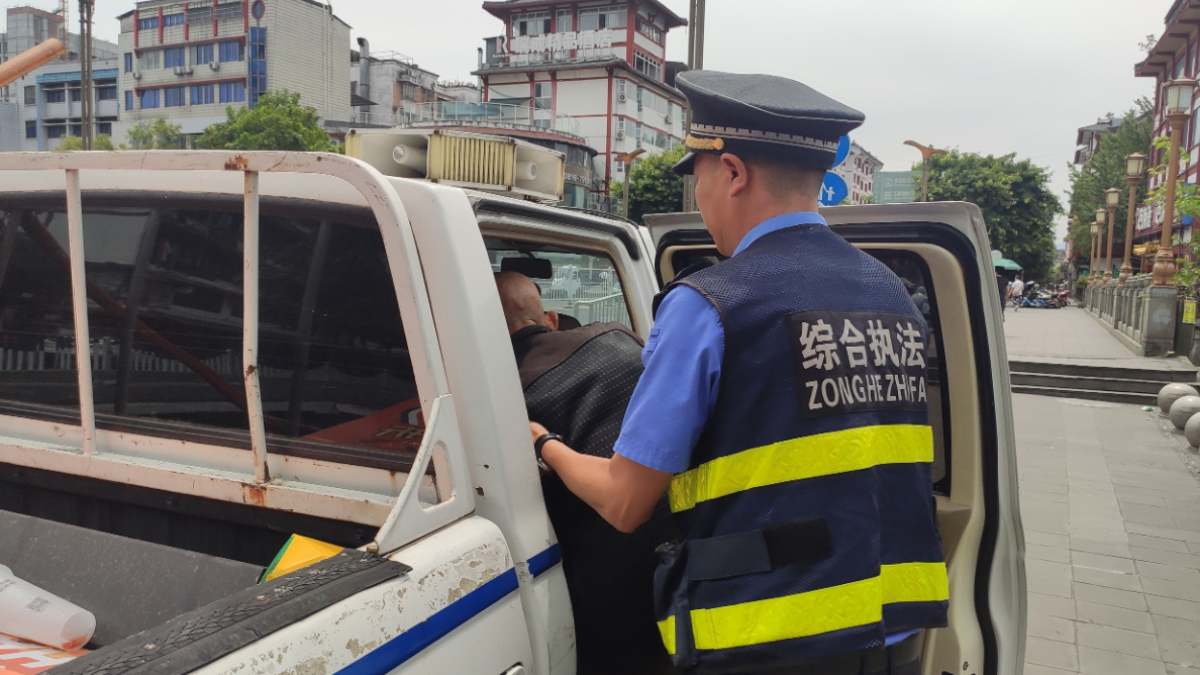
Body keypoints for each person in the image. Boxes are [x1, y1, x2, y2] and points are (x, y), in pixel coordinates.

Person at [527, 71, 948, 675]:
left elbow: (624, 502)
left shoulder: (710, 303)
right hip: (892, 632)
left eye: (697, 178)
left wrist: (545, 444)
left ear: (732, 172)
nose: (698, 198)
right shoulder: (893, 293)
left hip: (767, 638)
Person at [495, 271, 678, 675]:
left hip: (605, 600)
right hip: (681, 565)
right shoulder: (621, 338)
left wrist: (543, 442)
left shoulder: (506, 402)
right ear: (551, 319)